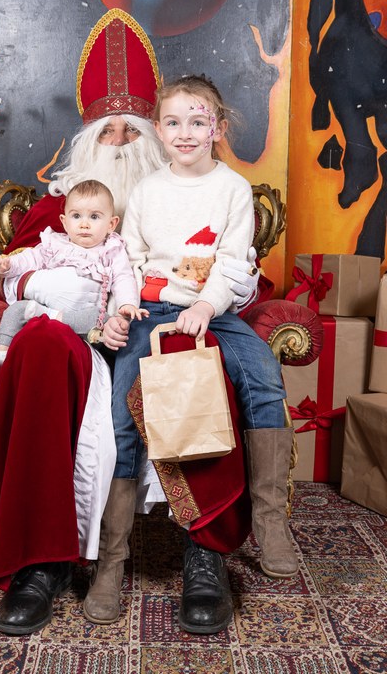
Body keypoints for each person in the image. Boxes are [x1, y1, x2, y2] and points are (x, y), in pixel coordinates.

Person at [0, 9, 262, 637]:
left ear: (154, 137)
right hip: (80, 339)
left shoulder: (198, 196)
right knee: (41, 343)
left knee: (192, 345)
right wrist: (45, 289)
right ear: (85, 144)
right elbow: (6, 280)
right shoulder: (57, 210)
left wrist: (214, 293)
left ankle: (204, 549)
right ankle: (41, 560)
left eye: (130, 130)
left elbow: (237, 272)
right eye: (105, 132)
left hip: (157, 325)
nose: (119, 142)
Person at [83, 75, 297, 635]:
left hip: (212, 309)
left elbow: (233, 260)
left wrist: (206, 305)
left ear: (217, 129)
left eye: (197, 122)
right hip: (150, 310)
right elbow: (128, 258)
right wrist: (121, 309)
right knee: (126, 409)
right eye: (174, 122)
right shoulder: (147, 191)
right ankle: (112, 560)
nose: (185, 133)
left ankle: (270, 520)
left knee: (263, 376)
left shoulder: (233, 189)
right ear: (159, 129)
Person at [0, 180, 148, 376]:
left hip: (85, 320)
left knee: (99, 319)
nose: (84, 224)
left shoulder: (111, 249)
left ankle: (48, 316)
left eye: (94, 217)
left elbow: (123, 277)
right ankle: (1, 357)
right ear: (65, 222)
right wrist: (7, 265)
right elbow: (29, 258)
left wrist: (127, 303)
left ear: (111, 224)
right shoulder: (55, 244)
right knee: (15, 310)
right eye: (76, 216)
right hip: (49, 308)